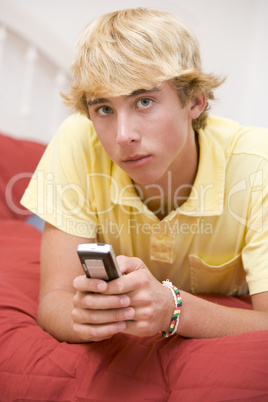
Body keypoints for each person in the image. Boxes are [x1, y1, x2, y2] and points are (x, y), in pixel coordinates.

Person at [21, 7, 268, 343]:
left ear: (195, 101)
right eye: (104, 108)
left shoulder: (257, 163)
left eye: (144, 101)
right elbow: (55, 301)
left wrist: (173, 308)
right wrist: (83, 317)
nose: (123, 136)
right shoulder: (78, 138)